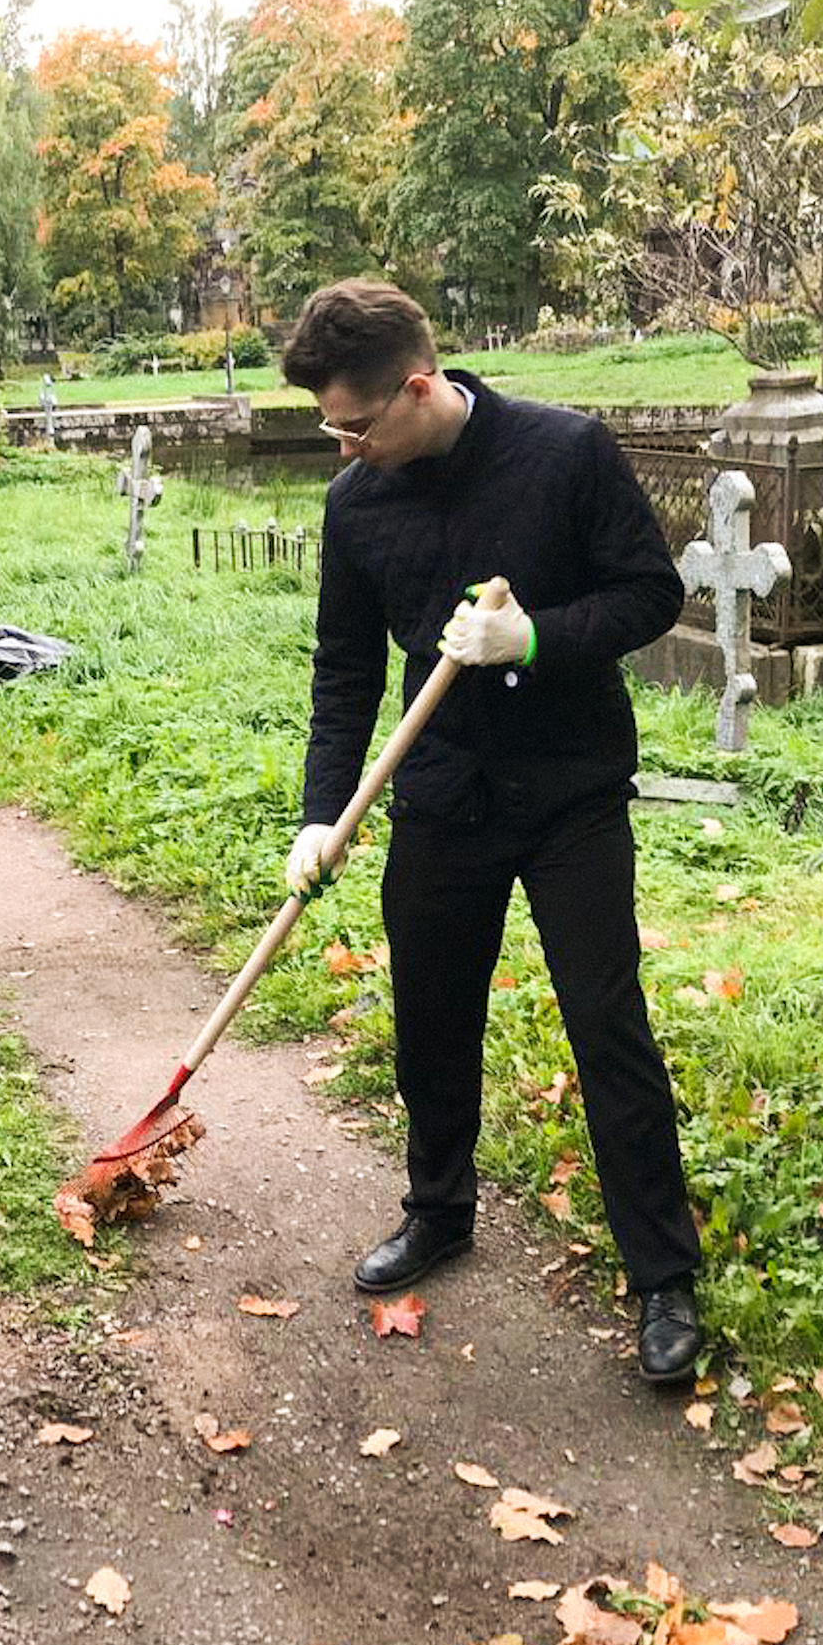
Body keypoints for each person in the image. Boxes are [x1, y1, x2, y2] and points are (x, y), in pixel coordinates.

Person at [278, 281, 705, 1385]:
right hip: (439, 800)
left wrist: (533, 639)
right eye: (332, 428)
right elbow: (343, 672)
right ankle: (439, 1211)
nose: (344, 448)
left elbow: (649, 593)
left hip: (569, 793)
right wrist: (322, 813)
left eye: (355, 426)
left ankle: (664, 1276)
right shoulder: (355, 507)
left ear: (418, 388)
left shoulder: (565, 453)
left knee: (606, 1025)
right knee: (429, 1021)